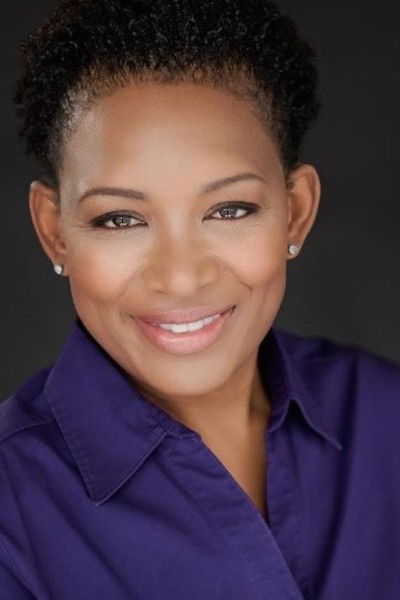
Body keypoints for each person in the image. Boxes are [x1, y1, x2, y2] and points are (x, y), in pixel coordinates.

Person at [1, 0, 399, 598]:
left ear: (295, 213)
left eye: (229, 210)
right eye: (120, 219)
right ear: (55, 231)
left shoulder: (385, 413)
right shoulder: (10, 508)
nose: (181, 278)